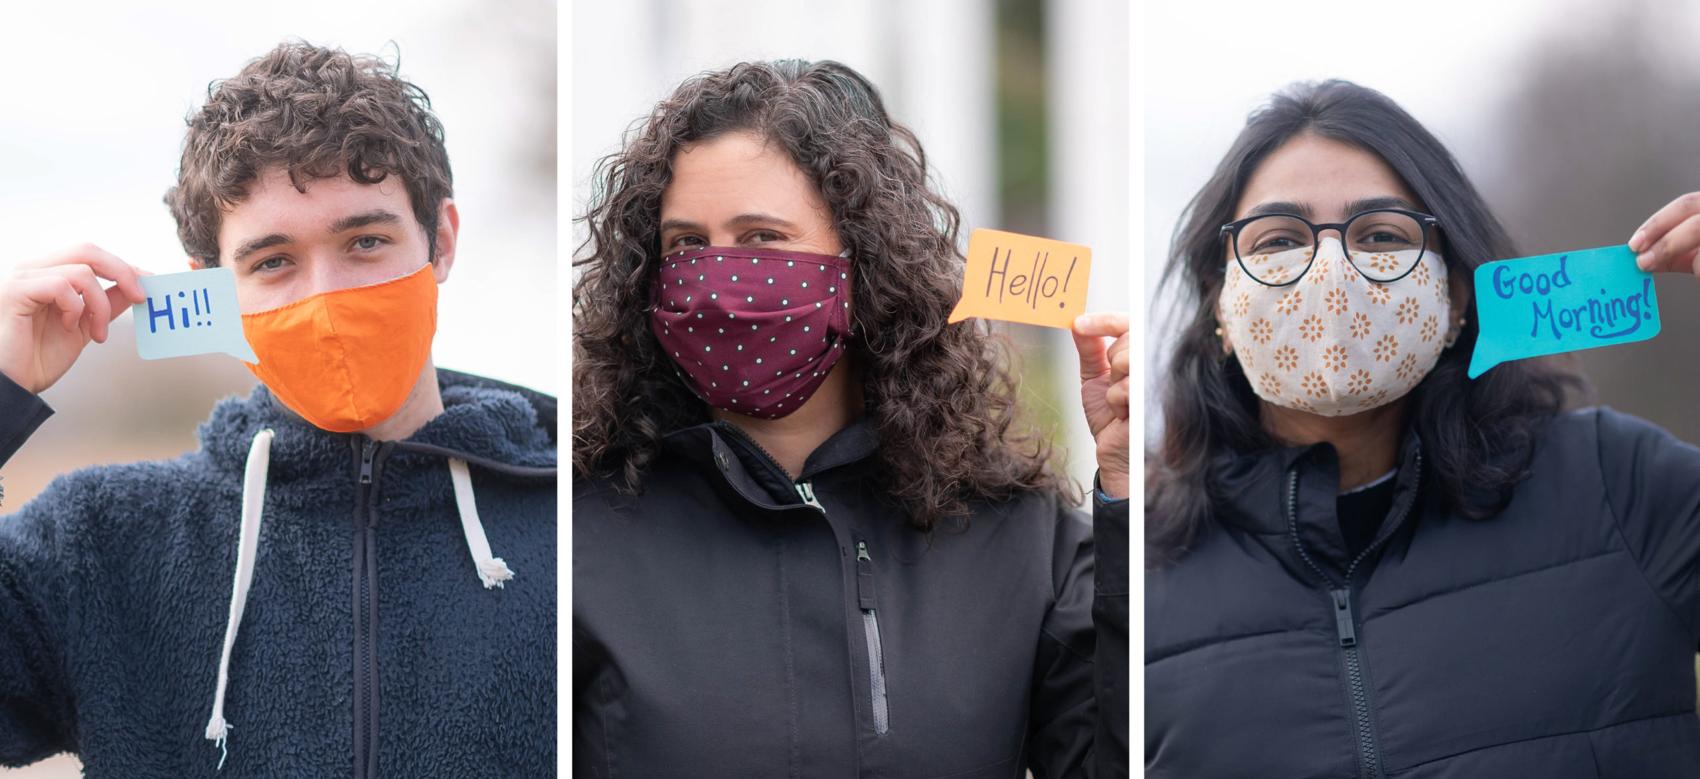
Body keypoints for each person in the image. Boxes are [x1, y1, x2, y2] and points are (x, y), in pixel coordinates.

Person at [0, 42, 555, 776]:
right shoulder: (98, 542)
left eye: (365, 241)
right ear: (211, 296)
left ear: (441, 240)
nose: (323, 296)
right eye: (273, 261)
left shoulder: (586, 520)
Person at [572, 60, 1130, 777]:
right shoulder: (587, 531)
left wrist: (1122, 496)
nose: (714, 282)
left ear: (864, 262)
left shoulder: (1023, 535)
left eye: (761, 238)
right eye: (687, 245)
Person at [1146, 79, 1700, 777]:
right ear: (1219, 300)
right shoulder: (1145, 584)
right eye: (1280, 240)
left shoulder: (1618, 485)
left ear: (1456, 291)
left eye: (1379, 235)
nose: (1331, 273)